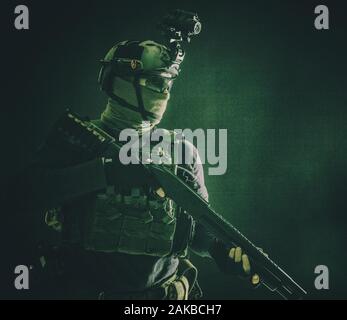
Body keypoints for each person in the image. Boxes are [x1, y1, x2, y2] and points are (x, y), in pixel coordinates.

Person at [14, 40, 260, 299]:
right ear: (118, 81)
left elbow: (197, 231)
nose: (164, 91)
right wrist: (105, 172)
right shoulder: (78, 140)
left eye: (168, 83)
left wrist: (221, 251)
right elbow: (21, 195)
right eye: (153, 82)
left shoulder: (181, 151)